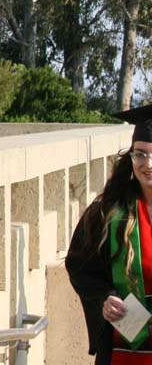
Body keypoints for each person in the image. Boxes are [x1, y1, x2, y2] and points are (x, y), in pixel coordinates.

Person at [67, 106, 152, 363]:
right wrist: (106, 297)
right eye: (141, 154)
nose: (147, 164)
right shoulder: (109, 213)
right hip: (125, 344)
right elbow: (80, 266)